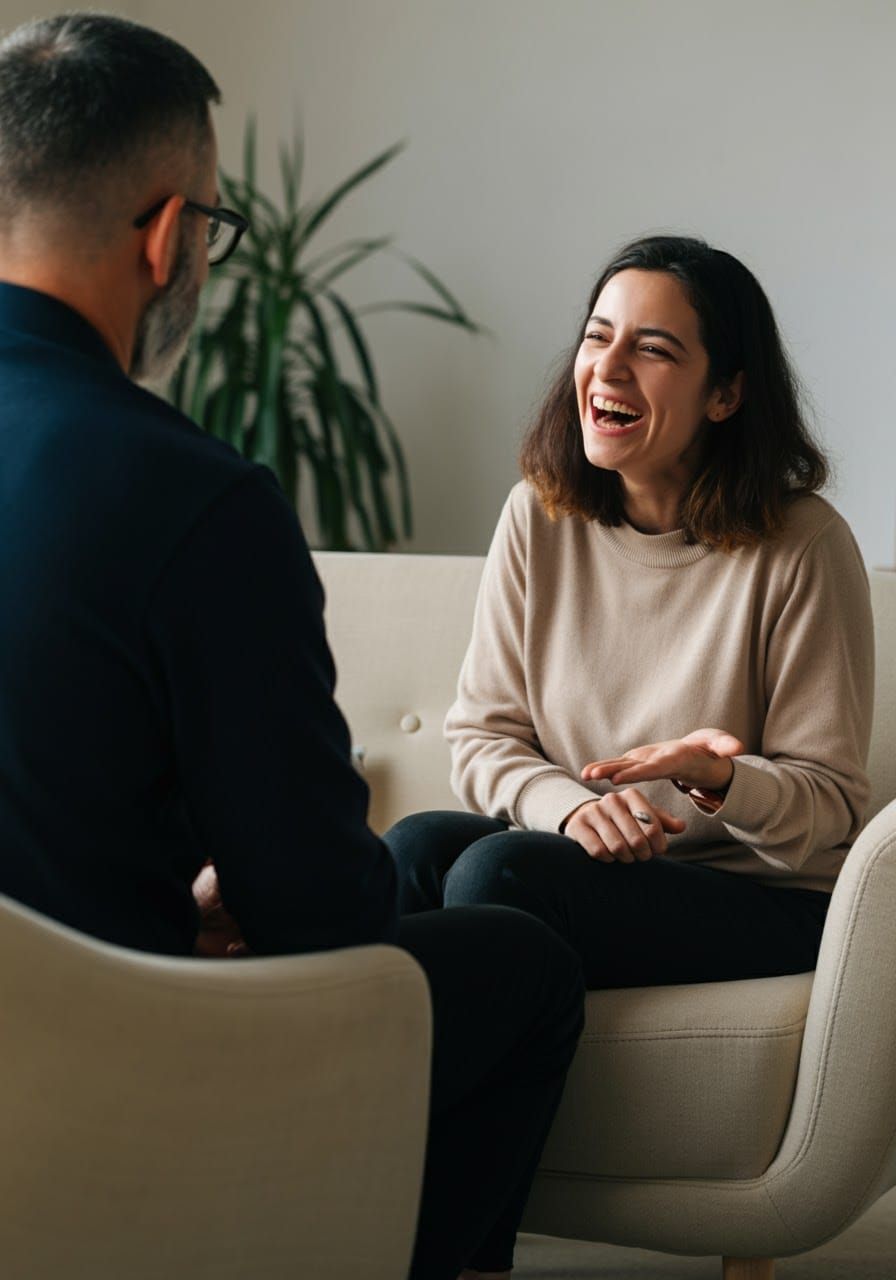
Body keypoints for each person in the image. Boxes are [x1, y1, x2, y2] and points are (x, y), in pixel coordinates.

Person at [0, 14, 584, 1280]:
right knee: (520, 966)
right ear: (167, 238)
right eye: (210, 226)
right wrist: (238, 895)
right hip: (115, 1069)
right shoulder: (193, 499)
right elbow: (319, 910)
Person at [386, 235, 875, 992]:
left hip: (764, 900)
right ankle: (358, 1103)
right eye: (596, 337)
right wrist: (571, 808)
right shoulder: (537, 517)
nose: (607, 369)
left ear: (725, 394)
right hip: (597, 863)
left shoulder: (805, 546)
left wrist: (720, 780)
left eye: (652, 349)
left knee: (503, 870)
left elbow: (832, 805)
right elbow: (484, 736)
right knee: (415, 846)